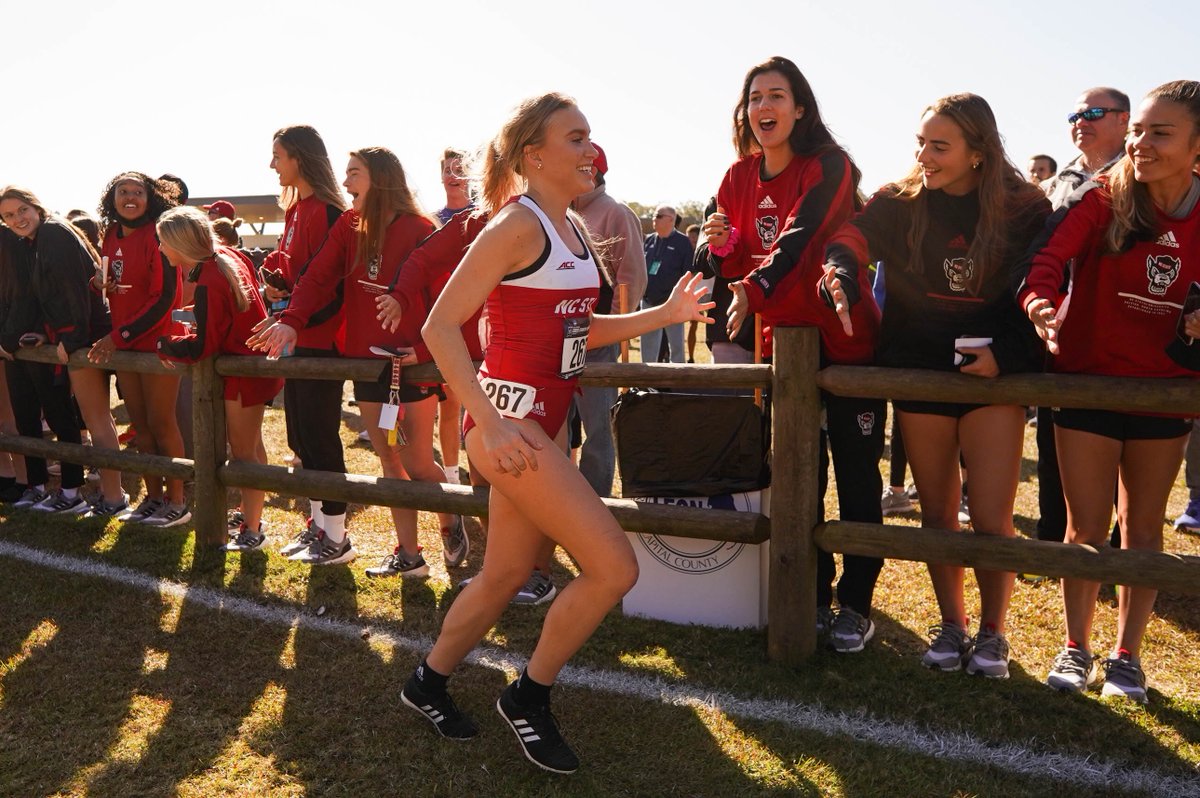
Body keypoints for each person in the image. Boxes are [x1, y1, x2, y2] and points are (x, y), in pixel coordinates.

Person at [400, 92, 712, 774]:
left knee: (505, 573)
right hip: (510, 430)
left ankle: (426, 682)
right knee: (615, 568)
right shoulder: (516, 225)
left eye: (590, 137)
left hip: (534, 426)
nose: (589, 149)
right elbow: (439, 326)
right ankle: (529, 697)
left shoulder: (570, 227)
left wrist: (663, 312)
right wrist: (488, 422)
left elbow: (578, 331)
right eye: (575, 138)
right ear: (534, 156)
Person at [823, 93, 1051, 676]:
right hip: (921, 374)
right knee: (939, 513)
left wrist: (1010, 356)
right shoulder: (900, 201)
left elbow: (1047, 282)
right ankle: (952, 625)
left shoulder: (1025, 208)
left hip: (995, 380)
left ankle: (995, 633)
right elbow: (852, 238)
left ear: (979, 152)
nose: (924, 155)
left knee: (994, 518)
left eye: (940, 145)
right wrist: (842, 271)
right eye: (920, 142)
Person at [1020, 80, 1200, 704]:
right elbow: (1046, 259)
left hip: (1167, 393)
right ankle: (1075, 646)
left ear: (1198, 144)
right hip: (1089, 384)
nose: (1139, 142)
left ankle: (1127, 657)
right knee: (1085, 525)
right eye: (1137, 130)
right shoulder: (1105, 196)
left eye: (1159, 132)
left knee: (1143, 527)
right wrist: (1041, 301)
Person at [701, 56, 883, 653]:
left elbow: (800, 239)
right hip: (779, 349)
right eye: (754, 98)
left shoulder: (830, 165)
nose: (763, 108)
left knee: (856, 478)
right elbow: (725, 261)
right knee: (796, 473)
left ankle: (856, 604)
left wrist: (751, 286)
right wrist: (719, 249)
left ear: (799, 108)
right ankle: (808, 591)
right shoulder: (736, 176)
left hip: (842, 343)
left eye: (776, 96)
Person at [250, 147, 449, 572]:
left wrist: (428, 352)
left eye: (354, 174)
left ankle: (452, 523)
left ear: (380, 178)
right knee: (389, 458)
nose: (345, 183)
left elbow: (449, 298)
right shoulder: (350, 223)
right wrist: (292, 320)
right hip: (364, 363)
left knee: (416, 461)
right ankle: (410, 555)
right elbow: (317, 275)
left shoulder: (420, 227)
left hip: (413, 362)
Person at [1034, 87, 1132, 548]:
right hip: (1058, 333)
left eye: (1093, 112)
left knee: (1119, 445)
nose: (1080, 120)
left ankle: (1116, 544)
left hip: (1120, 330)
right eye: (1073, 113)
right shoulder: (1057, 184)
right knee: (1055, 440)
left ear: (1124, 120)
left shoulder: (1142, 180)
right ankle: (1054, 537)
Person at [154, 207, 283, 547]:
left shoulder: (211, 274)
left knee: (243, 452)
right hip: (250, 366)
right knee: (251, 447)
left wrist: (164, 344)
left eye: (163, 242)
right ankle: (251, 514)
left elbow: (202, 347)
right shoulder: (222, 257)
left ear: (179, 242)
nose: (160, 249)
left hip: (245, 372)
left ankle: (253, 529)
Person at [254, 124, 349, 555]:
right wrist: (272, 283)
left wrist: (297, 310)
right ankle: (318, 524)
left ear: (299, 157)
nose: (272, 164)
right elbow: (291, 269)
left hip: (321, 341)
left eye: (278, 155)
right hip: (295, 335)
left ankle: (337, 536)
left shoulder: (329, 210)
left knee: (321, 435)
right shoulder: (296, 209)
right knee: (301, 438)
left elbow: (331, 285)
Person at [0, 187, 123, 514]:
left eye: (22, 210)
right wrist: (38, 333)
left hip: (79, 338)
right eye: (9, 215)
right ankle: (44, 487)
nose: (17, 219)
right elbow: (40, 296)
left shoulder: (54, 234)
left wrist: (71, 339)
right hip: (54, 336)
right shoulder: (31, 242)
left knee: (69, 417)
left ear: (36, 207)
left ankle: (75, 492)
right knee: (41, 415)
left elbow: (72, 291)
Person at [88, 172, 190, 527]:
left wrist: (120, 336)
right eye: (123, 191)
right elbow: (113, 285)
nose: (130, 197)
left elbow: (165, 299)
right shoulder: (110, 234)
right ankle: (153, 496)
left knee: (163, 422)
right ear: (111, 197)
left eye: (138, 192)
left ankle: (178, 501)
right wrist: (99, 282)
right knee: (141, 425)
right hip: (126, 342)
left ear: (151, 198)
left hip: (156, 344)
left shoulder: (159, 234)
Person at [571, 142, 647, 497]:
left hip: (597, 343)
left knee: (598, 428)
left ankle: (593, 500)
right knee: (556, 425)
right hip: (557, 339)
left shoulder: (616, 213)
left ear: (595, 170)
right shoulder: (556, 209)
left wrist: (613, 328)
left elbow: (631, 279)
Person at [433, 148, 471, 487]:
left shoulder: (485, 217)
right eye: (447, 169)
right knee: (448, 403)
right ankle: (450, 474)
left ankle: (482, 470)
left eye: (459, 168)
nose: (453, 174)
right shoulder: (432, 220)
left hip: (476, 321)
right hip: (439, 321)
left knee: (474, 402)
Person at [639, 205, 693, 363]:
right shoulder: (649, 240)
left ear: (671, 219)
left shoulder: (682, 242)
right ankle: (647, 382)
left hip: (673, 302)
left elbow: (688, 273)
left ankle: (678, 381)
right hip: (649, 302)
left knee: (676, 346)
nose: (653, 219)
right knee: (647, 345)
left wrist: (682, 299)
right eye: (654, 215)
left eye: (658, 216)